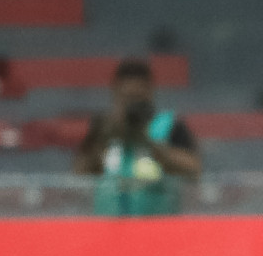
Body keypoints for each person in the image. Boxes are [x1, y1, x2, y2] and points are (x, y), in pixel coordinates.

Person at [74, 57, 202, 216]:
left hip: (157, 227)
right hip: (108, 227)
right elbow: (77, 176)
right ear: (115, 92)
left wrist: (150, 145)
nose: (132, 106)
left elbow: (193, 170)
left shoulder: (170, 126)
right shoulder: (103, 127)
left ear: (150, 92)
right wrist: (104, 139)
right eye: (127, 98)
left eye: (137, 98)